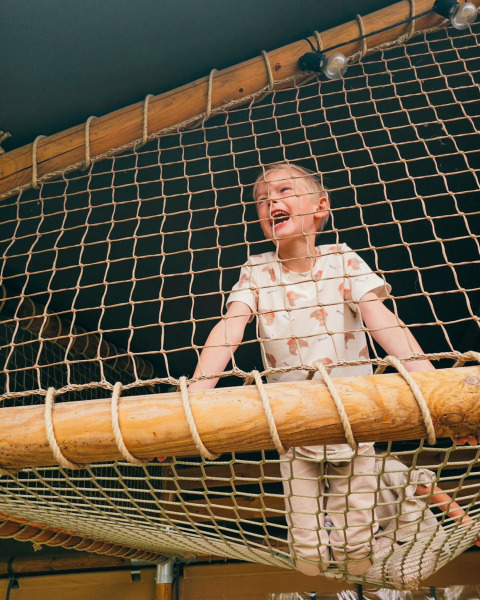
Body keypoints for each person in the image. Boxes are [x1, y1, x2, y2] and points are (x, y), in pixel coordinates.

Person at [187, 161, 437, 576]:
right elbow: (231, 326)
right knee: (308, 563)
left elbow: (382, 320)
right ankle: (350, 525)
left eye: (284, 191)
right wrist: (197, 393)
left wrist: (428, 379)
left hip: (354, 424)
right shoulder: (257, 270)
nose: (271, 202)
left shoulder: (342, 260)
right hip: (294, 428)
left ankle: (404, 511)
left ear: (320, 207)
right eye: (262, 199)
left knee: (357, 558)